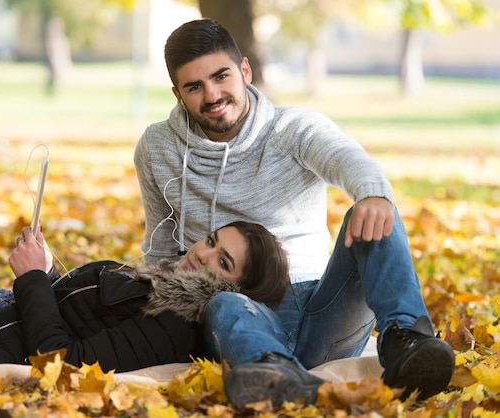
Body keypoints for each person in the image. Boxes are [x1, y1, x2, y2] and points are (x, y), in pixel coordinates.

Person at [134, 18, 455, 408]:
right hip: (238, 308)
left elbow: (346, 158)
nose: (213, 94)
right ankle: (273, 374)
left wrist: (373, 194)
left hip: (322, 303)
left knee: (371, 213)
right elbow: (161, 248)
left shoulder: (292, 128)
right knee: (223, 303)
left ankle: (409, 340)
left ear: (245, 70)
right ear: (177, 94)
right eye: (195, 86)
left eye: (221, 76)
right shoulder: (157, 147)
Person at [0, 125, 290, 373]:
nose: (202, 253)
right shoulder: (160, 284)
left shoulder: (173, 326)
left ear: (237, 294)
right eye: (212, 241)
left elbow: (64, 363)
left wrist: (33, 279)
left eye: (223, 263)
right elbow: (77, 316)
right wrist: (50, 271)